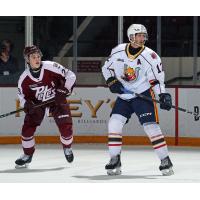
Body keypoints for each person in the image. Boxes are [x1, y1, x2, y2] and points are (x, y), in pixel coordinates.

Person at [102, 24, 174, 176]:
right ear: (131, 37)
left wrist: (162, 94)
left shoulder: (151, 56)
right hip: (124, 96)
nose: (142, 38)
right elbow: (106, 68)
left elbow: (156, 80)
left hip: (143, 94)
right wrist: (111, 81)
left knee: (150, 126)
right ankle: (115, 159)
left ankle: (165, 159)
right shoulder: (118, 51)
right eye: (139, 35)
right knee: (114, 123)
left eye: (143, 35)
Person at [16, 45, 76, 168]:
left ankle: (67, 148)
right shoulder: (24, 78)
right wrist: (27, 104)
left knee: (66, 127)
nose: (37, 59)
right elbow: (21, 96)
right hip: (37, 104)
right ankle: (27, 154)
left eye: (38, 56)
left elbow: (71, 76)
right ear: (27, 60)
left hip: (57, 100)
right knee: (27, 130)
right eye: (33, 57)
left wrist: (64, 89)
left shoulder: (51, 66)